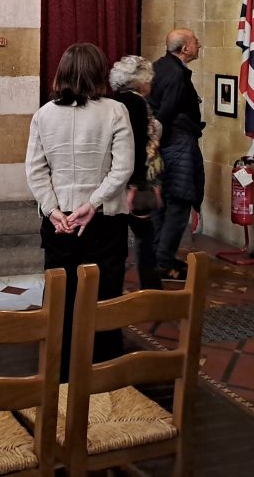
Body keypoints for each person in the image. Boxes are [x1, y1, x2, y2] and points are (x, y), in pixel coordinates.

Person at [26, 42, 134, 379]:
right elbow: (123, 168)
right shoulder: (115, 111)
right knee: (103, 299)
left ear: (63, 74)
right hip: (101, 222)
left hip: (60, 224)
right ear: (99, 73)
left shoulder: (44, 114)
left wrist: (52, 209)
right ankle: (101, 376)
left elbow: (35, 170)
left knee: (61, 299)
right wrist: (94, 203)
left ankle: (58, 374)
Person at [148, 28, 205, 282]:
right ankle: (163, 261)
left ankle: (159, 256)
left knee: (162, 203)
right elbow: (164, 114)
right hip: (177, 145)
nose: (199, 44)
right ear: (184, 49)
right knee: (178, 203)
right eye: (194, 41)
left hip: (164, 146)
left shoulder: (159, 67)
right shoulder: (175, 75)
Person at [109, 55, 163, 291]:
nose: (151, 84)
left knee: (122, 239)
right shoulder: (136, 104)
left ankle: (112, 288)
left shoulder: (115, 101)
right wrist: (137, 186)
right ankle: (152, 292)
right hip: (135, 182)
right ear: (140, 82)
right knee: (145, 239)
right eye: (149, 79)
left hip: (120, 180)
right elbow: (137, 144)